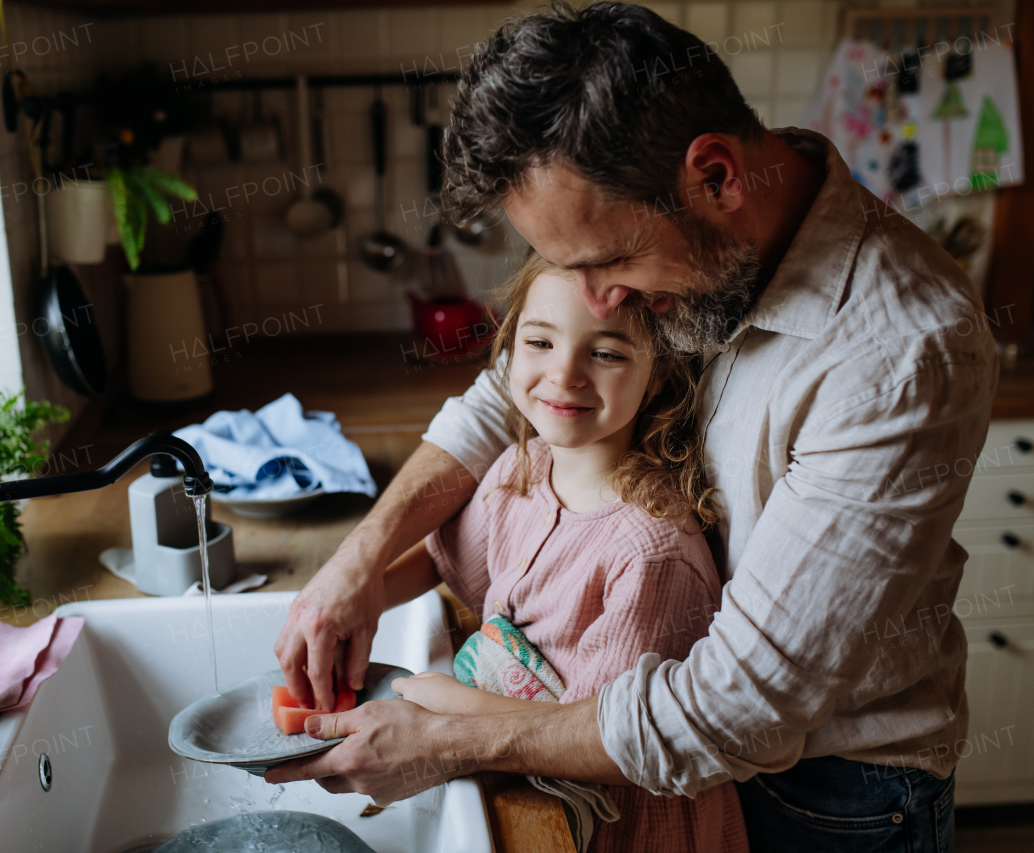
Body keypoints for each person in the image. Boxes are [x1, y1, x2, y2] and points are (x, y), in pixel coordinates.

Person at [266, 4, 996, 851]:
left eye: (605, 265)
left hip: (834, 798)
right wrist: (356, 562)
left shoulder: (899, 351)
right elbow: (504, 397)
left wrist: (448, 739)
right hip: (668, 749)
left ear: (716, 178)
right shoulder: (700, 245)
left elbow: (736, 709)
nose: (599, 304)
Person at [380, 249, 748, 852]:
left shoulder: (649, 552)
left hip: (625, 820)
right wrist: (364, 596)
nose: (565, 375)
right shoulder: (520, 468)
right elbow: (447, 557)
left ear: (657, 373)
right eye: (540, 343)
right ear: (509, 349)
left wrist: (448, 707)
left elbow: (599, 741)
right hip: (539, 786)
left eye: (605, 353)